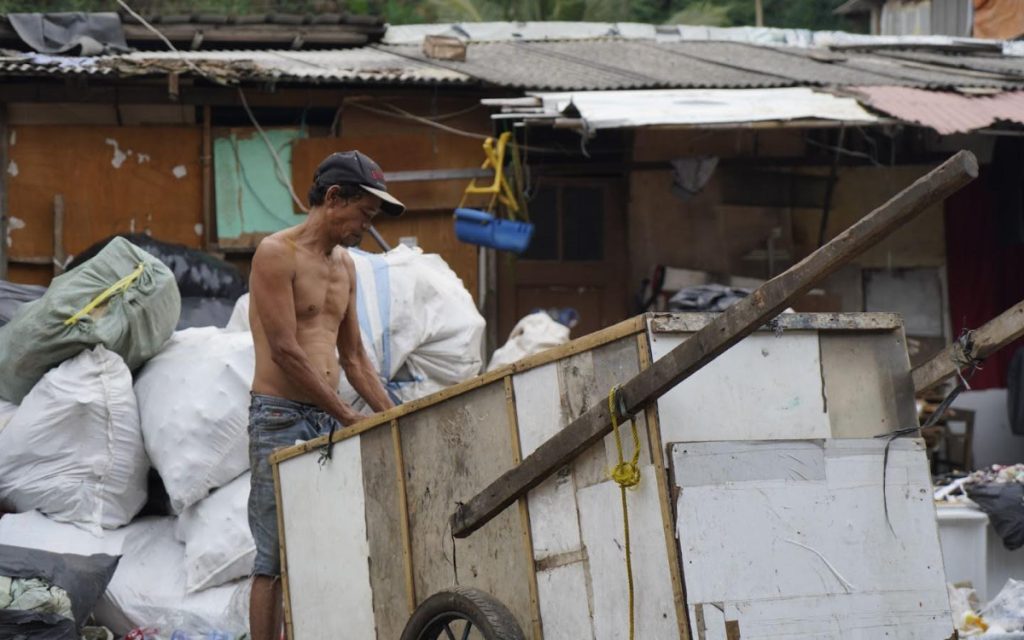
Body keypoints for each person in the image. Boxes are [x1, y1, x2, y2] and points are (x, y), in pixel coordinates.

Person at [246, 151, 405, 640]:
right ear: (334, 198)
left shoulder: (346, 268)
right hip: (279, 417)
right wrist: (348, 417)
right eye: (363, 214)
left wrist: (398, 417)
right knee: (274, 557)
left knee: (324, 550)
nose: (365, 227)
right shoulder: (277, 253)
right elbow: (287, 351)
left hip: (327, 419)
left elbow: (354, 358)